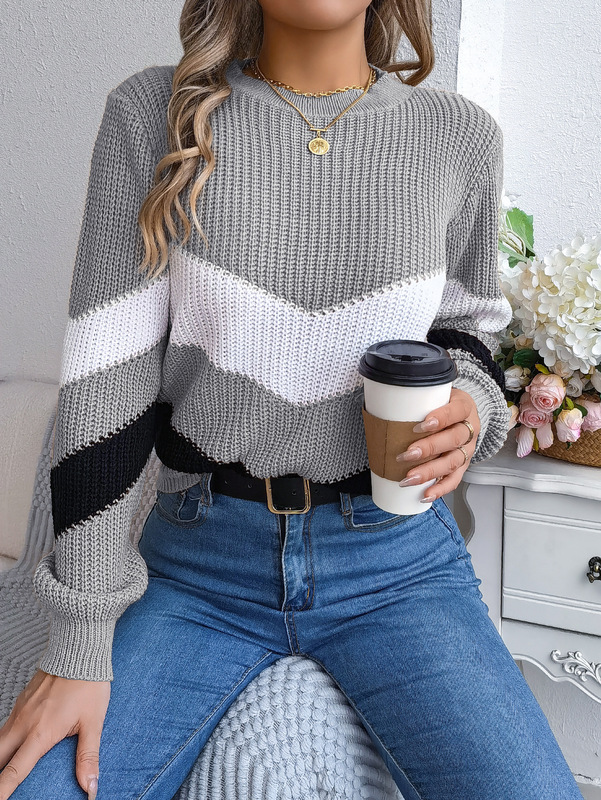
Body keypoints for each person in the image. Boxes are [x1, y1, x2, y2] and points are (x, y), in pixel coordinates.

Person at [0, 1, 585, 799]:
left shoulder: (458, 135)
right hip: (197, 566)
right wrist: (79, 638)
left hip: (396, 565)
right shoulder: (151, 114)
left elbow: (464, 328)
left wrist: (474, 407)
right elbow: (108, 379)